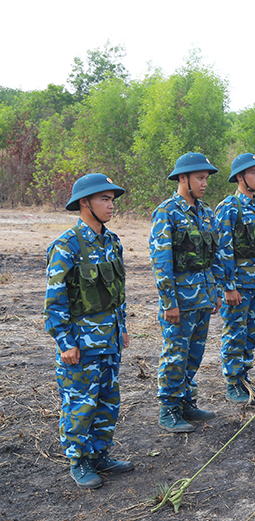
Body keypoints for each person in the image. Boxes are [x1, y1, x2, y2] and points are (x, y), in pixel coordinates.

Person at [44, 173, 134, 489]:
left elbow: (117, 293)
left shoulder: (112, 242)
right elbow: (54, 302)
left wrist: (122, 328)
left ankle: (99, 454)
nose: (111, 206)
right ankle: (79, 460)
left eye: (112, 199)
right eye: (104, 199)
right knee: (80, 404)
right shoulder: (66, 246)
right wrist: (65, 342)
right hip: (80, 345)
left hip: (108, 340)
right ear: (85, 203)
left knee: (108, 401)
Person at [150, 152, 223, 433]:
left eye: (205, 178)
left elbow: (213, 255)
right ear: (183, 178)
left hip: (202, 297)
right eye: (199, 178)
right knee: (175, 354)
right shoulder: (166, 212)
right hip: (179, 300)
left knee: (194, 354)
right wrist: (169, 303)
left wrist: (214, 291)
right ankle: (169, 408)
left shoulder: (206, 212)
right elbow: (161, 261)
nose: (204, 183)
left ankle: (186, 401)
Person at [215, 153, 255, 404]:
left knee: (251, 334)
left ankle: (244, 380)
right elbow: (222, 250)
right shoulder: (229, 207)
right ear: (240, 177)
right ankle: (232, 383)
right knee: (235, 333)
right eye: (254, 173)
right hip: (238, 285)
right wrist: (228, 286)